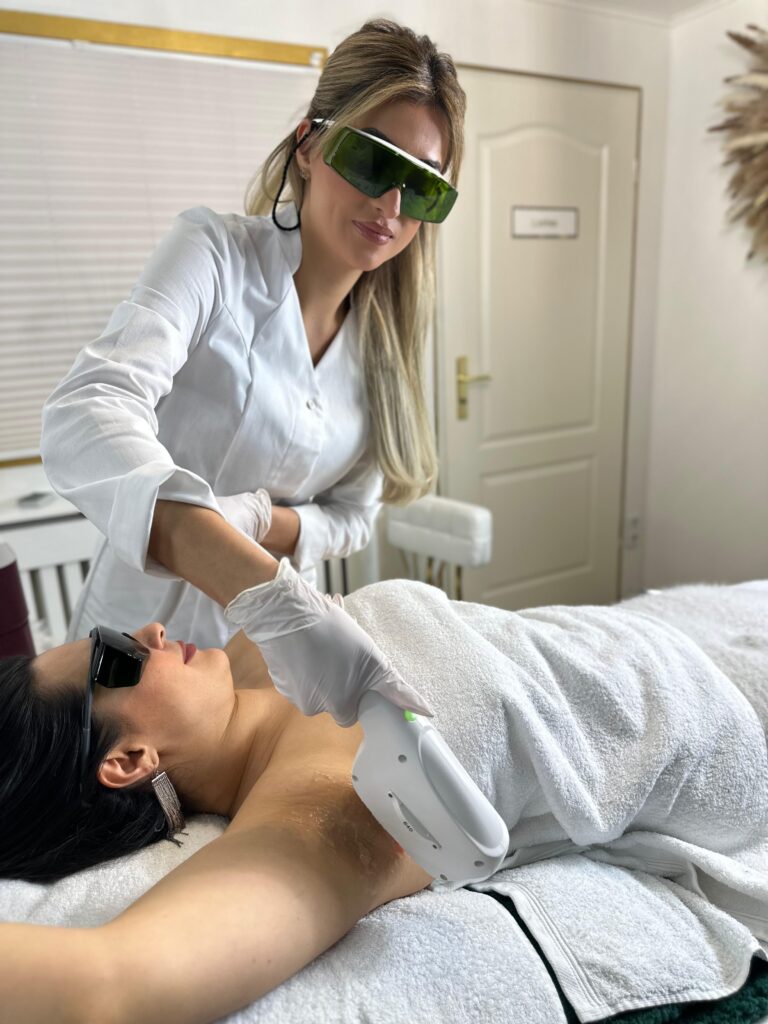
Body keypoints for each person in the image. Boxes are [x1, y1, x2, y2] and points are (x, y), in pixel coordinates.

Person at [1, 573, 767, 1024]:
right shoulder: (326, 807)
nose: (149, 630)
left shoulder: (255, 651)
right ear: (127, 762)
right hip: (726, 721)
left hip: (669, 643)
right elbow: (109, 982)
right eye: (116, 659)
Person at [38, 18, 465, 725]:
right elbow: (88, 411)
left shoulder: (388, 341)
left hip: (268, 668)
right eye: (372, 160)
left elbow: (355, 515)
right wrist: (253, 576)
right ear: (309, 145)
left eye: (422, 188)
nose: (391, 207)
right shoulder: (212, 255)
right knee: (122, 777)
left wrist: (263, 520)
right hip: (136, 640)